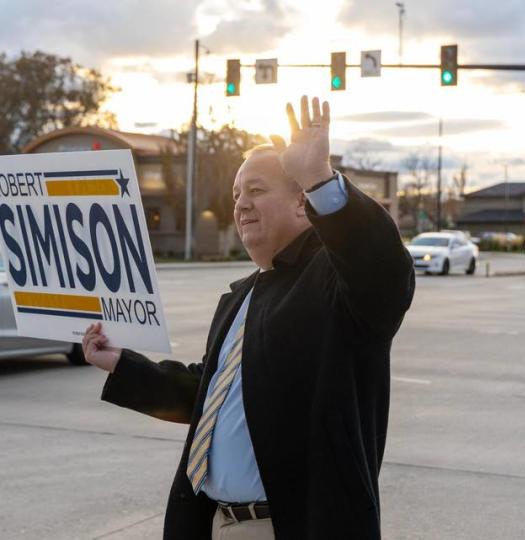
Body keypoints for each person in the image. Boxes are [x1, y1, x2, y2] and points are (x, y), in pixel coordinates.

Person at [82, 96, 415, 539]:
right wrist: (121, 363)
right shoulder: (243, 295)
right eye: (237, 194)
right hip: (218, 524)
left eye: (257, 190)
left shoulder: (335, 282)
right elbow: (204, 397)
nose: (240, 205)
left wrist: (319, 179)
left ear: (303, 204)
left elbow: (381, 268)